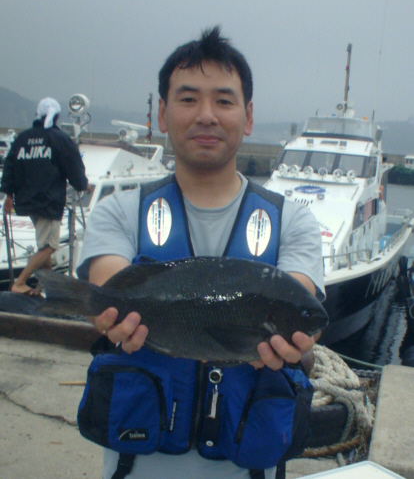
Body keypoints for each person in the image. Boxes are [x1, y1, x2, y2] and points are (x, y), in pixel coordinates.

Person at [77, 27, 325, 479]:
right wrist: (112, 316)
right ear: (162, 113)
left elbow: (298, 298)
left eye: (224, 101)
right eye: (188, 99)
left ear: (248, 117)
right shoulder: (118, 211)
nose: (206, 115)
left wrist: (293, 344)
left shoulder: (294, 221)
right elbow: (108, 289)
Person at [0, 97, 90, 295]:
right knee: (50, 247)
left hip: (27, 201)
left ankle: (47, 287)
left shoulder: (22, 139)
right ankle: (20, 282)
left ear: (38, 115)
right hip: (48, 201)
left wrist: (9, 196)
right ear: (56, 117)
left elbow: (10, 166)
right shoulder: (59, 139)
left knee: (43, 246)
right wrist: (82, 184)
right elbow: (72, 164)